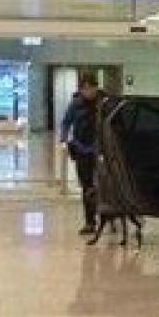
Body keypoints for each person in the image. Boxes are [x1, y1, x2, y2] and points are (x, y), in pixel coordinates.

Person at [60, 76, 104, 234]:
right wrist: (63, 139)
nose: (88, 92)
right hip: (81, 149)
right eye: (84, 89)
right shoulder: (75, 104)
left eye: (90, 88)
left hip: (100, 150)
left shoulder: (103, 103)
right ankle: (90, 222)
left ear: (96, 88)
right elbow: (66, 122)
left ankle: (108, 216)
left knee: (104, 185)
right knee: (87, 187)